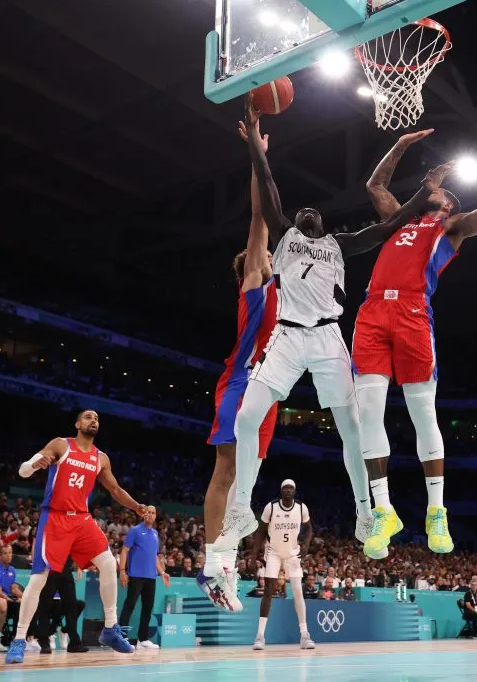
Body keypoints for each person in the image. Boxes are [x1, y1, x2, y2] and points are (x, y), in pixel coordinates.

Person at [221, 101, 451, 559]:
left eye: (314, 211)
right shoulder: (285, 234)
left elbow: (391, 224)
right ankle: (242, 507)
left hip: (328, 340)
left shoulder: (341, 245)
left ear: (324, 225)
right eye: (301, 211)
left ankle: (366, 510)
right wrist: (256, 145)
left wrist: (423, 197)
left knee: (353, 428)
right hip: (286, 337)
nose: (307, 212)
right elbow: (267, 189)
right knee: (245, 419)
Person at [354, 128, 477, 559]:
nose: (438, 192)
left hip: (413, 313)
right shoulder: (400, 219)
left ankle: (435, 510)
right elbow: (375, 185)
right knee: (368, 413)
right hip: (372, 311)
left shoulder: (451, 228)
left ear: (449, 206)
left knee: (421, 412)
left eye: (444, 192)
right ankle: (384, 511)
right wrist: (399, 147)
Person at [198, 114, 279, 613]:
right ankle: (211, 565)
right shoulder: (254, 282)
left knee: (246, 479)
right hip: (241, 383)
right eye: (261, 252)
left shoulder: (280, 291)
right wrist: (258, 154)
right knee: (226, 472)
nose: (266, 253)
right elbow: (259, 216)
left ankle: (224, 561)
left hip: (266, 391)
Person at [4, 409, 147, 664]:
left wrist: (136, 506)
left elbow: (114, 489)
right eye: (89, 417)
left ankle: (111, 629)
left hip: (81, 518)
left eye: (98, 419)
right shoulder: (61, 444)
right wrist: (35, 464)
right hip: (55, 518)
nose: (94, 421)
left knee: (108, 563)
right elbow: (24, 471)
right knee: (38, 579)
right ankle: (19, 640)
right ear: (78, 423)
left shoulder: (100, 458)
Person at [248, 480, 313, 651]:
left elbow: (309, 529)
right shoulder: (271, 507)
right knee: (269, 591)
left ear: (295, 491)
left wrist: (306, 545)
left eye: (291, 488)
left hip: (292, 554)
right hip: (273, 553)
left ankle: (305, 635)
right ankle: (260, 636)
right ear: (281, 490)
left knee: (298, 592)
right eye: (285, 488)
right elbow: (261, 531)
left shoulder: (301, 508)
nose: (288, 491)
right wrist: (253, 555)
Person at [120, 506, 170, 649]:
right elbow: (125, 550)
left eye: (153, 512)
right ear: (143, 514)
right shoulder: (135, 530)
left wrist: (161, 573)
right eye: (148, 512)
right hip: (135, 576)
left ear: (155, 516)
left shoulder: (155, 533)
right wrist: (123, 571)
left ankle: (142, 640)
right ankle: (122, 638)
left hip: (151, 577)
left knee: (147, 608)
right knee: (129, 606)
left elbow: (154, 556)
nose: (151, 514)